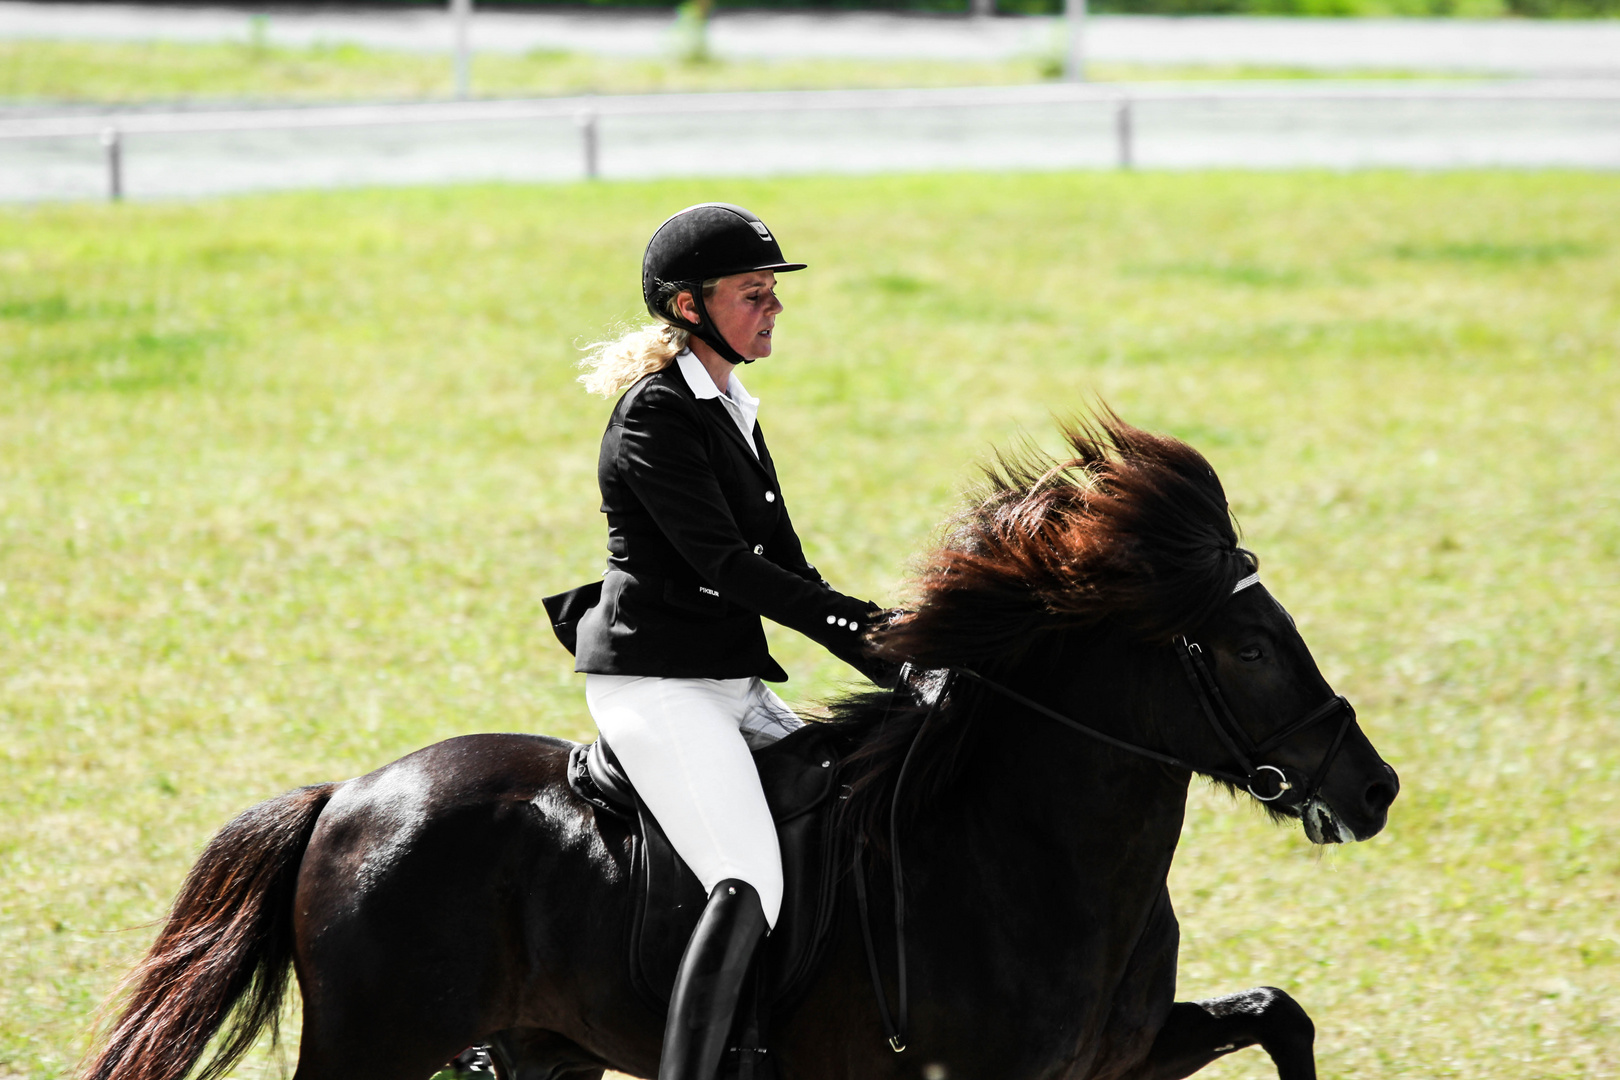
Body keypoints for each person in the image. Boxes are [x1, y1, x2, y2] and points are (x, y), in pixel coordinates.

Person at [546, 203, 886, 1080]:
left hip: (726, 678)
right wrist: (861, 629)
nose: (771, 308)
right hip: (662, 685)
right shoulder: (657, 415)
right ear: (689, 307)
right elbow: (726, 564)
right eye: (752, 294)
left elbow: (789, 567)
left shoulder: (729, 403)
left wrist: (893, 650)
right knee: (748, 880)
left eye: (772, 292)